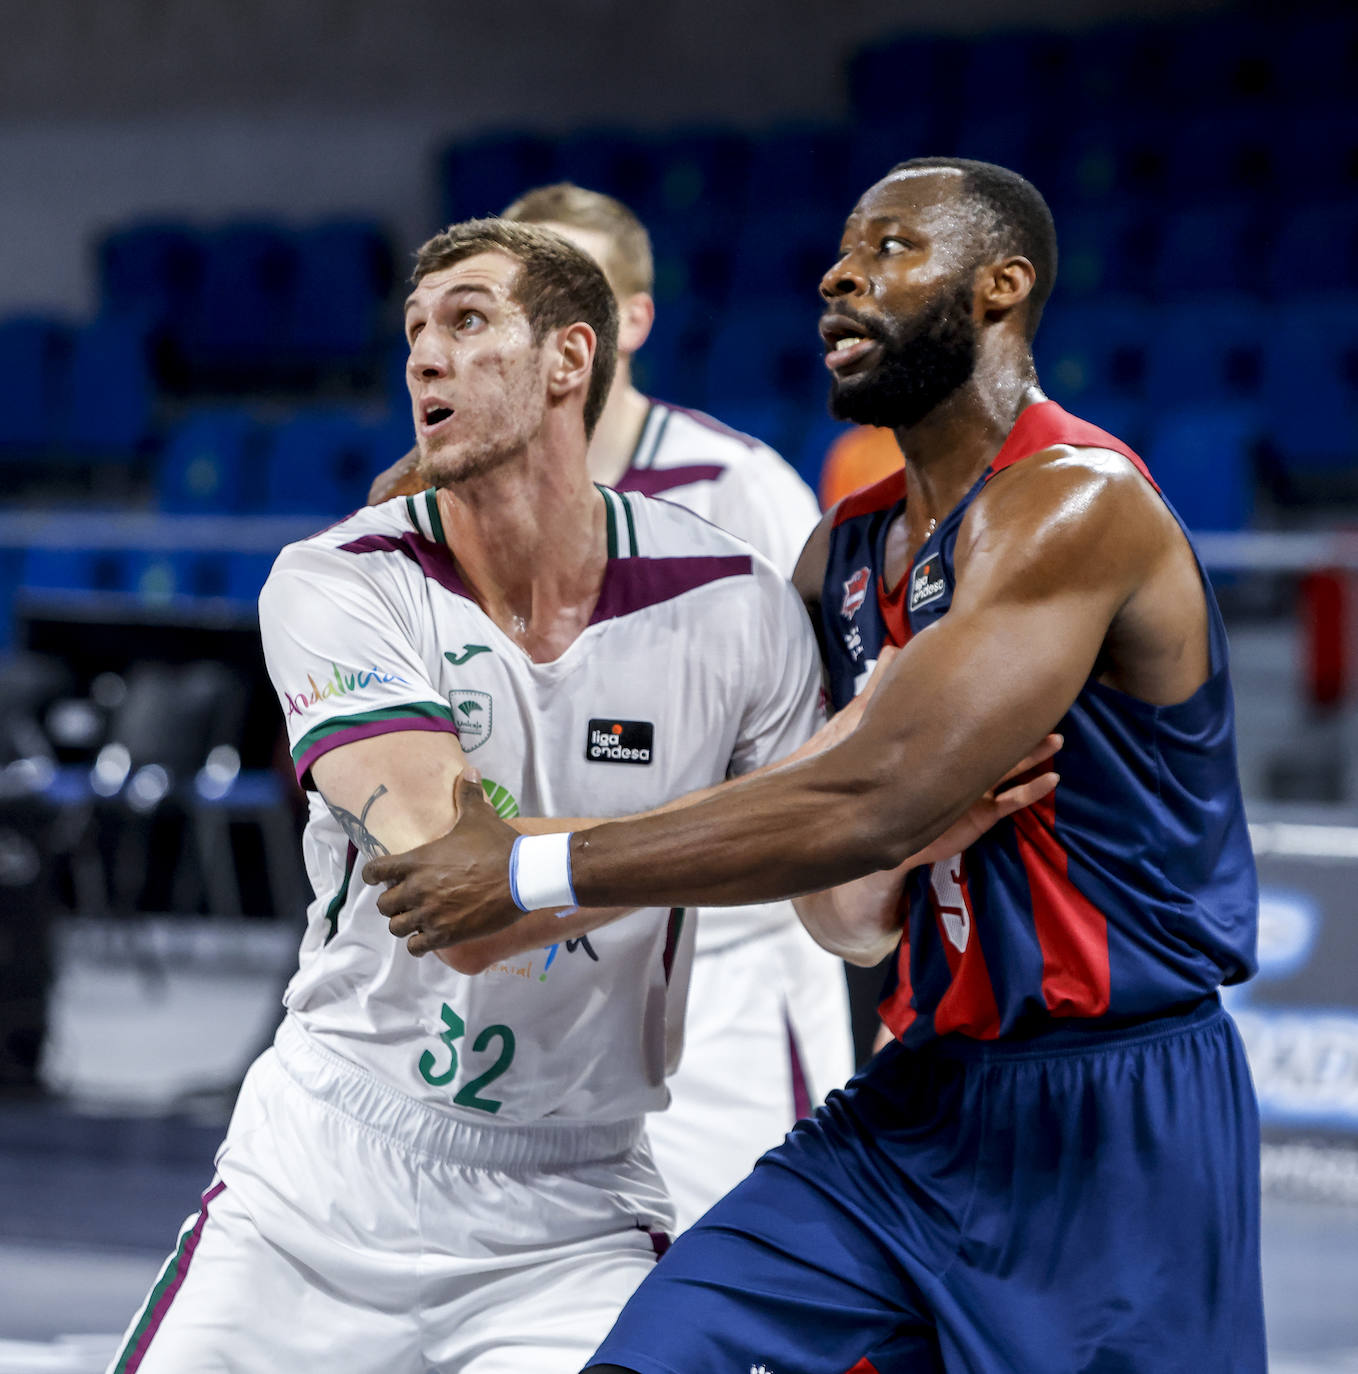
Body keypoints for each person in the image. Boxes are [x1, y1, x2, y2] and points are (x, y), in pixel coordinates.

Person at [366, 158, 1266, 1373]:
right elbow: (837, 907)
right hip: (913, 1105)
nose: (839, 273)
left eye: (890, 247)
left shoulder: (1075, 502)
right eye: (842, 249)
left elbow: (865, 795)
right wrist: (473, 517)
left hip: (1111, 1122)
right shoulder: (838, 552)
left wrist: (531, 869)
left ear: (1000, 286)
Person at [109, 215, 1049, 1374]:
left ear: (570, 358)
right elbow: (466, 901)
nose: (424, 358)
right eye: (413, 333)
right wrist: (808, 802)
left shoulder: (734, 599)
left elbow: (846, 921)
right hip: (321, 1171)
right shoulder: (337, 582)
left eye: (466, 322)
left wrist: (896, 823)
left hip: (571, 1200)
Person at [372, 183, 851, 1231]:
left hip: (720, 966)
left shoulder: (739, 487)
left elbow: (814, 760)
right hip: (522, 954)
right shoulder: (426, 493)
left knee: (732, 1288)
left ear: (620, 322)